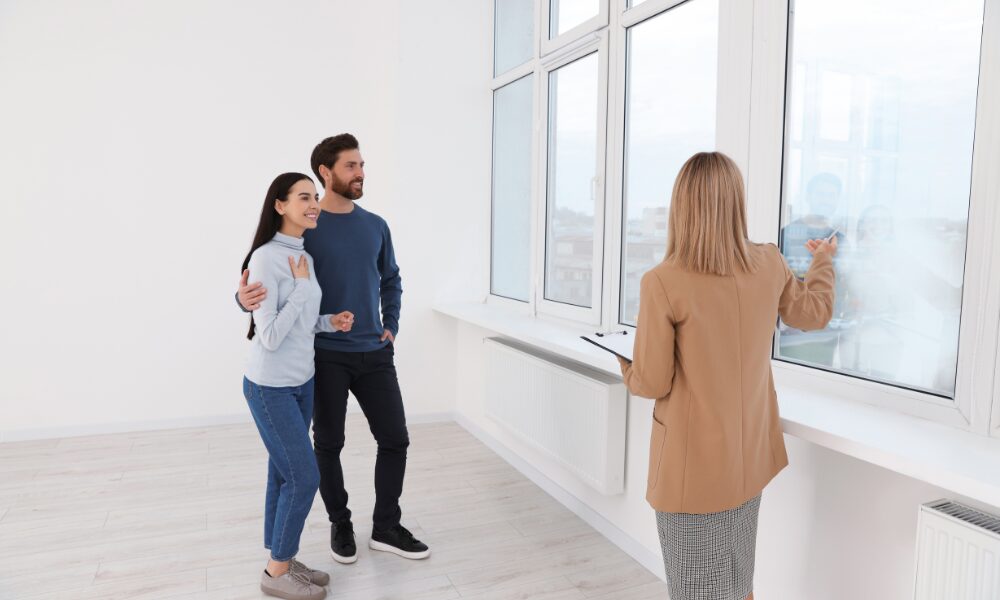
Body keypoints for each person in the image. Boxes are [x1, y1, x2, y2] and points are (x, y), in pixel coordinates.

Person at [618, 152, 836, 600]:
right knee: (739, 586)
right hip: (747, 462)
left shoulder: (663, 281)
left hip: (692, 471)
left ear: (682, 206)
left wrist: (626, 366)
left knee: (697, 592)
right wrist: (824, 262)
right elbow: (813, 314)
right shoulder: (769, 263)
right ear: (736, 202)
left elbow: (653, 382)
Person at [238, 134, 429, 565]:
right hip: (323, 356)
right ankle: (339, 522)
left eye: (362, 165)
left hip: (374, 351)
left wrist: (391, 325)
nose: (360, 173)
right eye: (350, 166)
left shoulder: (376, 225)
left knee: (395, 439)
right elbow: (264, 278)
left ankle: (385, 526)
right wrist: (241, 299)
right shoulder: (307, 226)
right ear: (326, 172)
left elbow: (391, 279)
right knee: (328, 444)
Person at [241, 172, 355, 600]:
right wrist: (305, 291)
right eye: (304, 197)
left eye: (315, 197)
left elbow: (300, 323)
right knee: (304, 476)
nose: (313, 204)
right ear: (280, 205)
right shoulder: (269, 257)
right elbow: (269, 335)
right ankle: (275, 574)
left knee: (282, 474)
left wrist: (330, 321)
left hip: (300, 383)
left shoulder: (300, 252)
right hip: (270, 387)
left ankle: (282, 557)